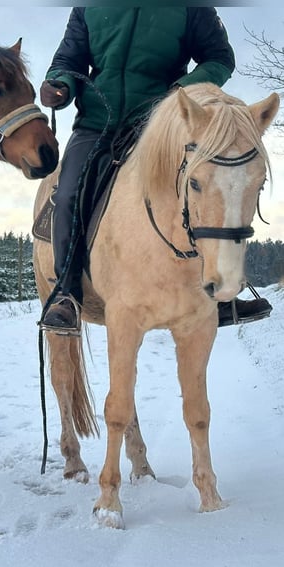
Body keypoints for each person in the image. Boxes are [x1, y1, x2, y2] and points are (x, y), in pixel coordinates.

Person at [38, 6, 272, 333]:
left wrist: (180, 90)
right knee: (66, 195)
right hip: (96, 124)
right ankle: (67, 295)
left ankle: (219, 296)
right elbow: (68, 60)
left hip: (160, 122)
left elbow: (219, 59)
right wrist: (59, 84)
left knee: (207, 186)